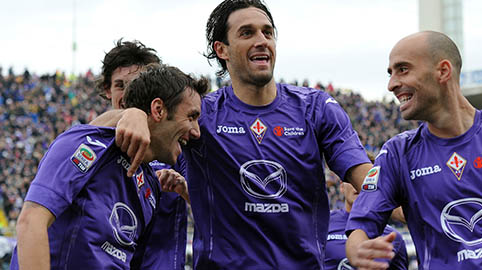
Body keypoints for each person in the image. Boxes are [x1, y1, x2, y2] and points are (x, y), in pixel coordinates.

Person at [92, 0, 373, 268]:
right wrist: (133, 113)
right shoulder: (202, 115)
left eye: (268, 32)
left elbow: (370, 182)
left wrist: (376, 223)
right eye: (247, 33)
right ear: (222, 50)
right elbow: (100, 131)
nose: (261, 40)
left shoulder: (316, 109)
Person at [345, 31, 482, 270]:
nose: (392, 85)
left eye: (403, 69)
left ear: (443, 71)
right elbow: (360, 229)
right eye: (390, 73)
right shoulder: (397, 154)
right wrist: (359, 249)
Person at [11, 64, 206, 269]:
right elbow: (31, 221)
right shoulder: (90, 144)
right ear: (158, 110)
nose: (196, 131)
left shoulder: (150, 185)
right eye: (191, 117)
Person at [95, 39, 190, 270]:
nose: (128, 94)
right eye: (120, 85)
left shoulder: (175, 144)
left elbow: (210, 203)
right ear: (107, 90)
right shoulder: (93, 142)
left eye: (136, 84)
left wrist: (184, 189)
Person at [325, 154, 407, 270]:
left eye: (368, 179)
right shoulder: (322, 224)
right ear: (342, 187)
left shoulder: (393, 238)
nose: (359, 185)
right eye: (351, 180)